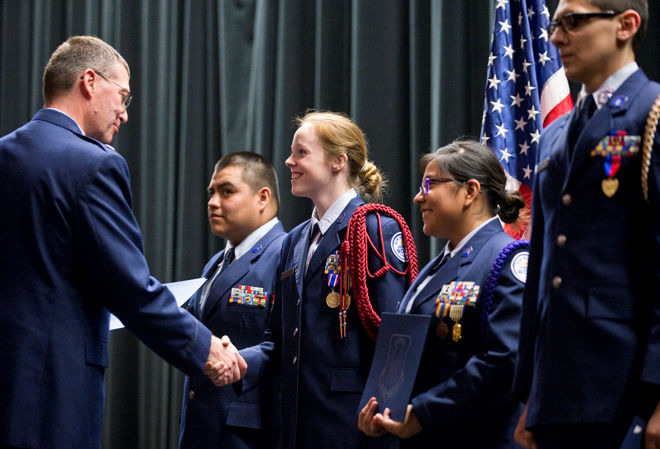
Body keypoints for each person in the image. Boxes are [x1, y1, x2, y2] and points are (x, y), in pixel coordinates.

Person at [0, 36, 244, 449]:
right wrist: (205, 349)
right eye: (124, 96)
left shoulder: (6, 152)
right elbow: (130, 288)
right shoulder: (94, 163)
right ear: (90, 81)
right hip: (53, 392)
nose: (125, 114)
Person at [511, 1, 660, 448]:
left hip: (627, 386)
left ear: (625, 25)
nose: (557, 37)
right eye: (556, 24)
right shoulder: (555, 136)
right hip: (558, 390)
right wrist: (529, 397)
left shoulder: (652, 113)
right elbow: (541, 267)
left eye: (573, 22)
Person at [233, 111, 413, 449]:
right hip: (294, 425)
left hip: (351, 425)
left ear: (337, 162)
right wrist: (240, 360)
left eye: (301, 152)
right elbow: (277, 338)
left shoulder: (375, 229)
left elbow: (394, 340)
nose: (288, 161)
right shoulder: (294, 241)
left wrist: (382, 425)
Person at [358, 140, 529, 448]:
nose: (418, 197)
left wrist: (423, 414)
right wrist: (381, 409)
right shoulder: (442, 262)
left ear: (471, 191)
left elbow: (506, 362)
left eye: (430, 184)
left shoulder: (507, 258)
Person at [179, 152, 285, 449]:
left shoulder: (286, 255)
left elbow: (288, 346)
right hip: (202, 426)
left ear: (262, 197)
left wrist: (234, 362)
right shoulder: (216, 262)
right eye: (212, 192)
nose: (213, 202)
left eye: (227, 192)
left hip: (247, 434)